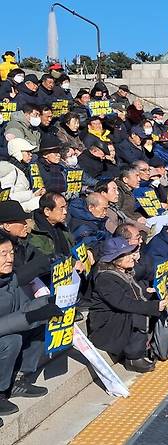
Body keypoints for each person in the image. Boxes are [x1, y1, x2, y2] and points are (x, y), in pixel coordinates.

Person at [0, 233, 60, 417]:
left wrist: (48, 302)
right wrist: (32, 315)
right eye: (3, 254)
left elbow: (22, 307)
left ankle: (19, 379)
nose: (10, 259)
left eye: (11, 253)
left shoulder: (9, 279)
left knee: (40, 322)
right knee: (12, 340)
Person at [87, 237, 166, 373]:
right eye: (125, 255)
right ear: (115, 259)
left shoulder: (124, 272)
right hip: (106, 326)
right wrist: (153, 306)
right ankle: (133, 357)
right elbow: (124, 303)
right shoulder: (105, 278)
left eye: (130, 253)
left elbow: (133, 295)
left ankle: (149, 346)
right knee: (137, 312)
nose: (131, 257)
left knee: (148, 303)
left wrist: (150, 295)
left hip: (117, 316)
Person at [28, 193, 74, 259]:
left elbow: (73, 244)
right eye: (61, 208)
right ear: (47, 211)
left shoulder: (61, 226)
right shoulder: (35, 231)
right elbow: (46, 259)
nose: (65, 212)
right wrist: (72, 263)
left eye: (65, 207)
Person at [2, 139, 44, 212]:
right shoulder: (9, 169)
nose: (31, 154)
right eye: (27, 152)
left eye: (31, 152)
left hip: (21, 210)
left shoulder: (23, 170)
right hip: (13, 213)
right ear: (17, 152)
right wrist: (32, 194)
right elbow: (7, 197)